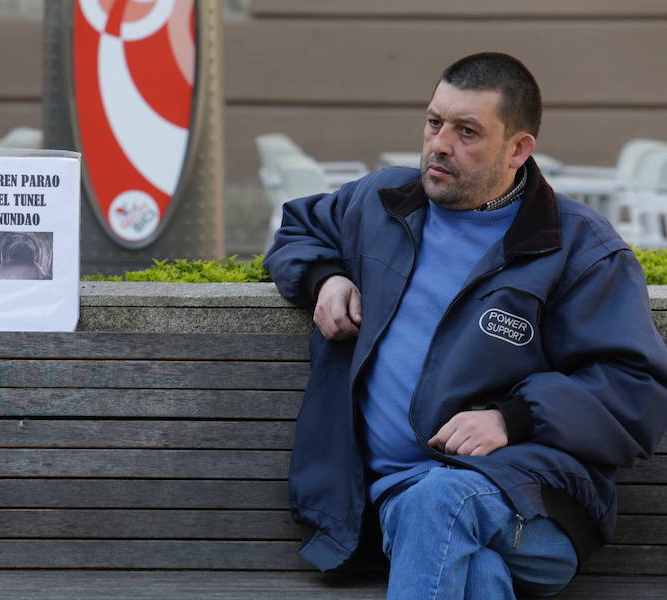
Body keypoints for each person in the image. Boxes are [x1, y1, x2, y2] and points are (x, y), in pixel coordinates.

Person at [264, 52, 667, 599]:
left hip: (532, 504)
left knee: (441, 499)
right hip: (389, 508)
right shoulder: (383, 203)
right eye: (434, 123)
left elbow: (635, 388)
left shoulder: (578, 248)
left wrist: (515, 417)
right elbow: (299, 230)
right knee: (474, 574)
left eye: (467, 132)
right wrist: (326, 278)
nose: (440, 144)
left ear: (518, 149)